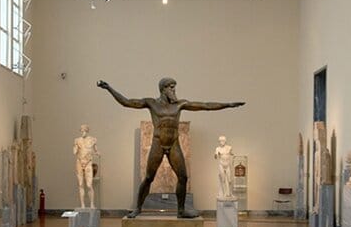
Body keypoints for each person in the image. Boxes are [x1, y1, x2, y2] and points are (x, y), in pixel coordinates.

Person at [98, 78, 244, 218]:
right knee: (149, 178)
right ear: (163, 89)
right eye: (171, 87)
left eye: (174, 87)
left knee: (183, 177)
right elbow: (126, 102)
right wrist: (109, 88)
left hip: (174, 143)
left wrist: (228, 105)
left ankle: (181, 211)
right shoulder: (151, 103)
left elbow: (205, 106)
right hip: (158, 142)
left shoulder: (179, 104)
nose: (174, 90)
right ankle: (138, 208)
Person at [73, 124, 99, 209]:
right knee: (80, 184)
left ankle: (92, 204)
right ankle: (82, 205)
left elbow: (96, 150)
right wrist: (75, 147)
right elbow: (74, 152)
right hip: (79, 162)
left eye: (84, 130)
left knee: (89, 184)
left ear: (87, 130)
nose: (83, 131)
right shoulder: (77, 140)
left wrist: (97, 153)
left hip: (88, 162)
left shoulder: (92, 140)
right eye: (82, 130)